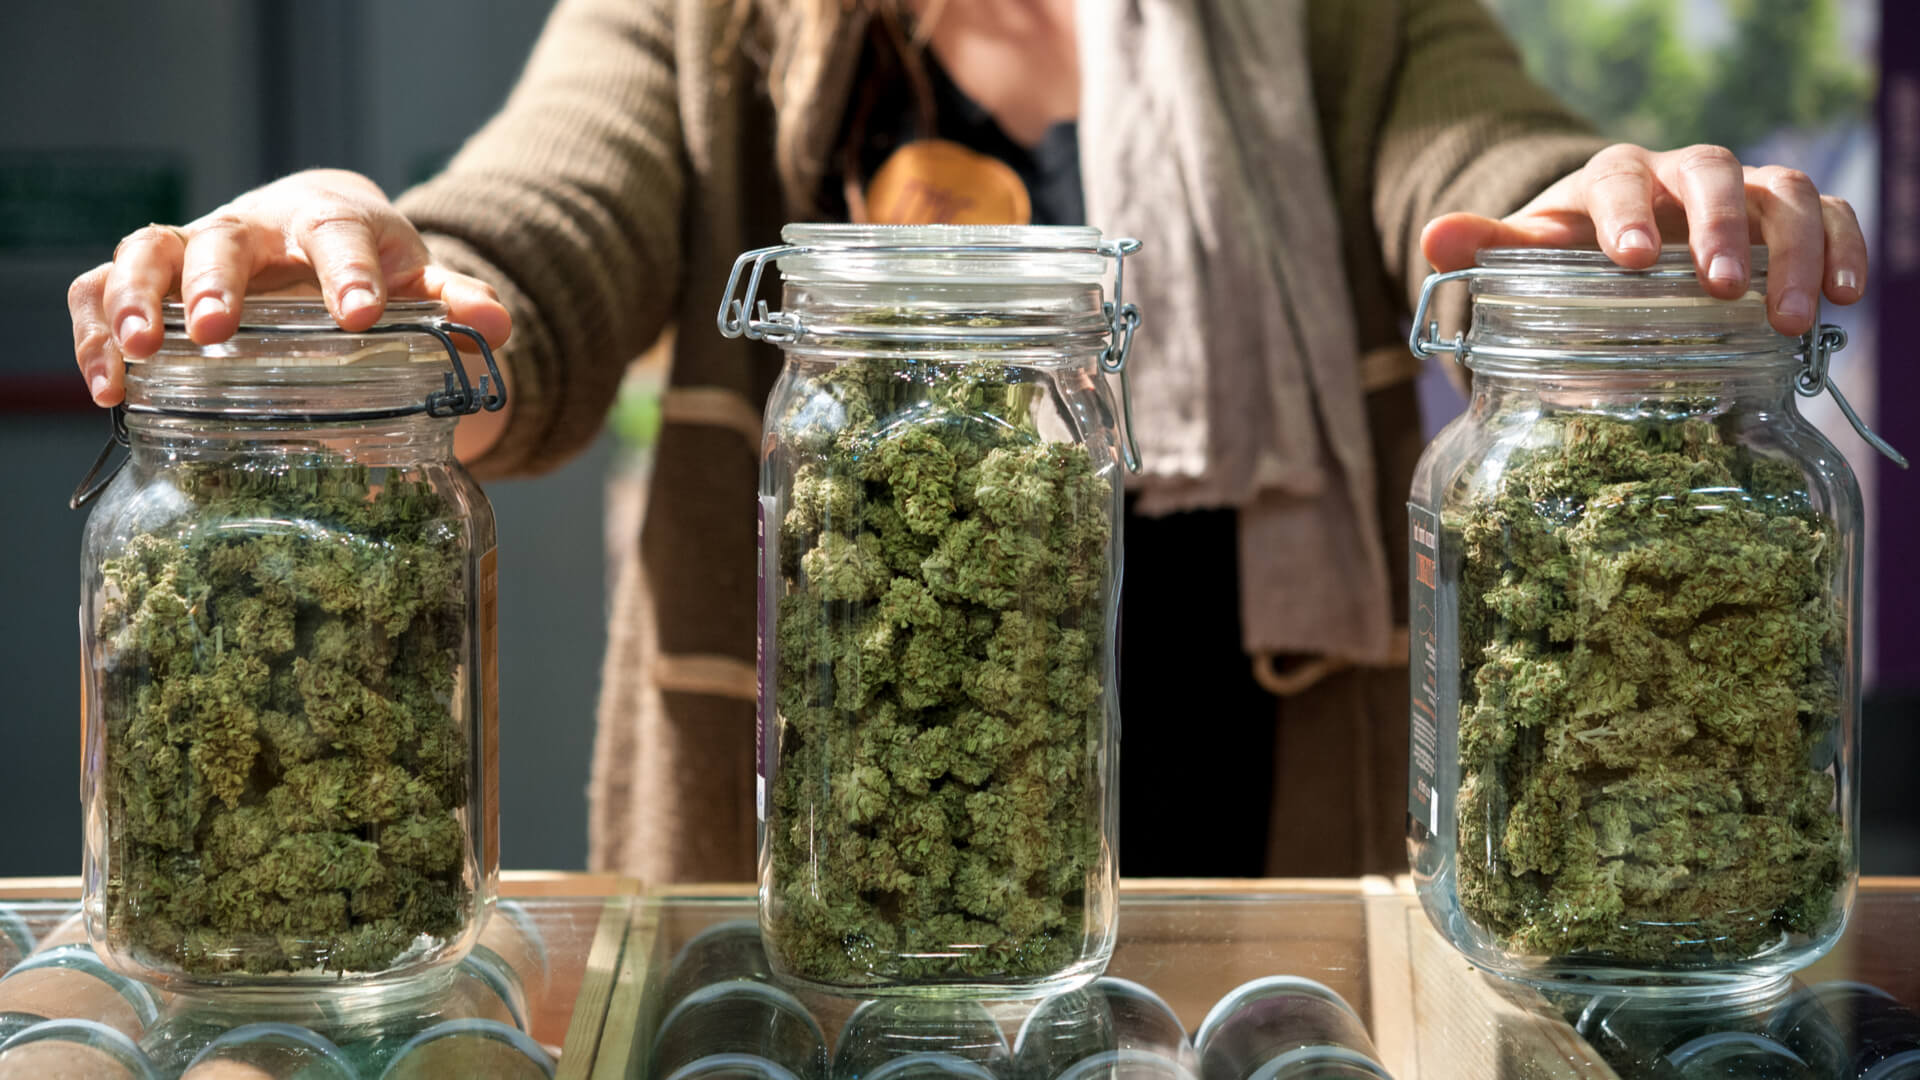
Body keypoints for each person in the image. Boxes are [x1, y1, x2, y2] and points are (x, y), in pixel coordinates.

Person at [67, 0, 1869, 882]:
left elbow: (1477, 164)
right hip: (818, 842)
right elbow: (546, 221)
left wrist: (1585, 223)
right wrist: (372, 265)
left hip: (1258, 803)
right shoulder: (705, 16)